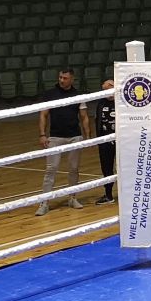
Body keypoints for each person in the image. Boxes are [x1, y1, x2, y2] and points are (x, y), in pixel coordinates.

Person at [36, 68, 91, 216]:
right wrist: (42, 134)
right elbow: (43, 115)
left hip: (75, 136)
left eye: (65, 78)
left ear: (72, 79)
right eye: (60, 77)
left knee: (74, 168)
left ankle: (72, 198)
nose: (61, 80)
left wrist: (87, 136)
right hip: (55, 137)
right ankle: (44, 202)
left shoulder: (78, 95)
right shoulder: (49, 94)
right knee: (51, 169)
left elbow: (84, 116)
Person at [94, 80, 116, 205]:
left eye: (109, 90)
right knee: (106, 168)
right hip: (105, 140)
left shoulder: (122, 102)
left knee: (125, 167)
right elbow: (98, 120)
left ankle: (130, 194)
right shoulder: (101, 103)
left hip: (121, 140)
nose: (107, 93)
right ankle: (108, 195)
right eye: (104, 91)